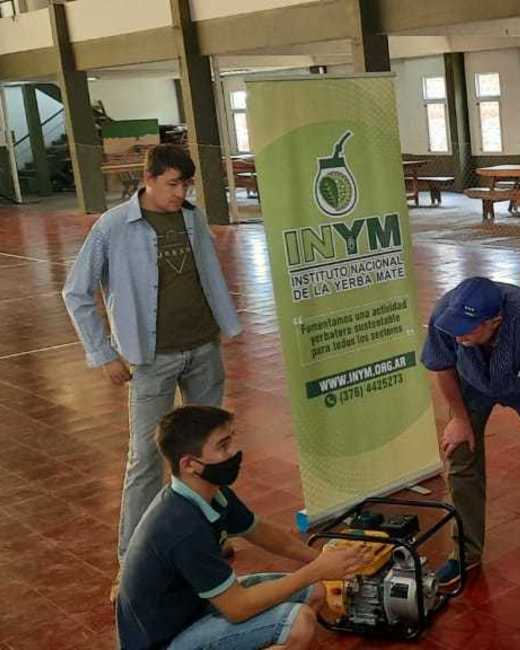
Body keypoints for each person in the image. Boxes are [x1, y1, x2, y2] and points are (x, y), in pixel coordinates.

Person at [63, 144, 242, 586]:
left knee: (211, 454)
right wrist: (103, 353)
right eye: (172, 184)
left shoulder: (192, 217)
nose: (180, 193)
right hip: (152, 360)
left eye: (186, 184)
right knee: (145, 459)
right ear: (148, 179)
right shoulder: (113, 227)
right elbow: (77, 292)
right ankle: (132, 563)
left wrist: (222, 325)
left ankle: (210, 536)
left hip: (203, 348)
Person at [116, 405, 369, 650]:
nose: (233, 453)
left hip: (195, 608)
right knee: (298, 623)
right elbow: (238, 608)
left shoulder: (212, 493)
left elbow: (263, 533)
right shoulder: (182, 528)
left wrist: (324, 561)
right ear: (189, 464)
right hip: (166, 640)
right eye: (222, 446)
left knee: (313, 591)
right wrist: (316, 569)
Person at [421, 276, 520, 587]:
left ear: (495, 321)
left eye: (469, 327)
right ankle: (465, 552)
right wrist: (460, 419)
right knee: (460, 454)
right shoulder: (444, 317)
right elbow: (442, 367)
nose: (458, 333)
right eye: (456, 326)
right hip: (472, 384)